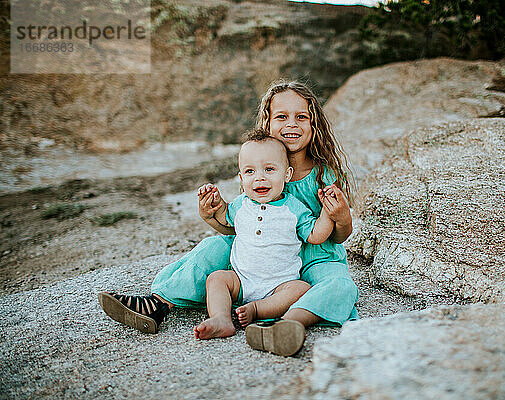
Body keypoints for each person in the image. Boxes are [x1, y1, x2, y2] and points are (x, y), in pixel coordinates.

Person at [98, 79, 358, 351]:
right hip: (260, 257)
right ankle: (159, 303)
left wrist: (339, 215)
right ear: (267, 123)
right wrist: (211, 216)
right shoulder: (257, 172)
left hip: (316, 257)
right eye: (282, 116)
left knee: (340, 284)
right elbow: (239, 227)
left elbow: (340, 235)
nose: (291, 124)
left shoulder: (325, 175)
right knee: (213, 246)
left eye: (301, 117)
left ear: (314, 125)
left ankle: (290, 323)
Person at [192, 130, 334, 356]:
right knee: (217, 278)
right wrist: (215, 203)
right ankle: (221, 318)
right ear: (241, 178)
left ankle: (257, 310)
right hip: (241, 281)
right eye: (250, 171)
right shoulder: (240, 205)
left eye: (269, 170)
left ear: (286, 174)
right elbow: (224, 218)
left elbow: (316, 235)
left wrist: (328, 212)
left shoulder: (293, 208)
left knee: (301, 289)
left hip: (280, 285)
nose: (259, 177)